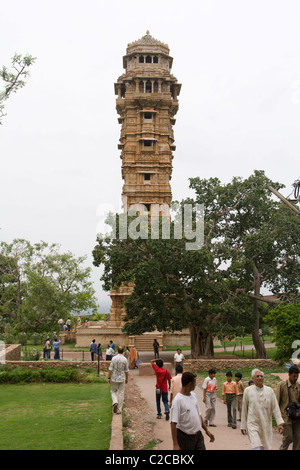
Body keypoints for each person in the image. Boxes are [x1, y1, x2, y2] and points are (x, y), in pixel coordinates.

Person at [241, 368, 284, 450]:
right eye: (257, 376)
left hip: (266, 424)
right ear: (253, 379)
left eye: (261, 376)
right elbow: (244, 409)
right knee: (256, 446)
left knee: (265, 447)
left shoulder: (269, 391)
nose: (260, 378)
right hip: (252, 424)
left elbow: (275, 408)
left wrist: (279, 423)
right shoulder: (248, 391)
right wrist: (243, 425)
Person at [170, 371, 215, 450]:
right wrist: (175, 444)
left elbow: (198, 415)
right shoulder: (177, 401)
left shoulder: (194, 396)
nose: (195, 385)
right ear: (190, 384)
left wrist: (207, 431)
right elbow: (173, 423)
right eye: (195, 383)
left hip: (198, 436)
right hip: (184, 438)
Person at [276, 365, 300, 450]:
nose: (296, 378)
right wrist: (278, 421)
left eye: (297, 376)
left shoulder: (298, 386)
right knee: (289, 437)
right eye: (294, 376)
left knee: (298, 438)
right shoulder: (282, 385)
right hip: (286, 417)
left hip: (297, 416)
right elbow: (277, 403)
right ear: (289, 375)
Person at [107, 346, 129, 414]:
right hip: (122, 378)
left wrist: (108, 377)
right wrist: (127, 378)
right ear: (123, 351)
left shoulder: (114, 358)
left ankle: (115, 402)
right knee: (121, 393)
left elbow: (110, 369)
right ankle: (119, 409)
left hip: (114, 377)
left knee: (113, 391)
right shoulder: (125, 359)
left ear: (117, 351)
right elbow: (126, 370)